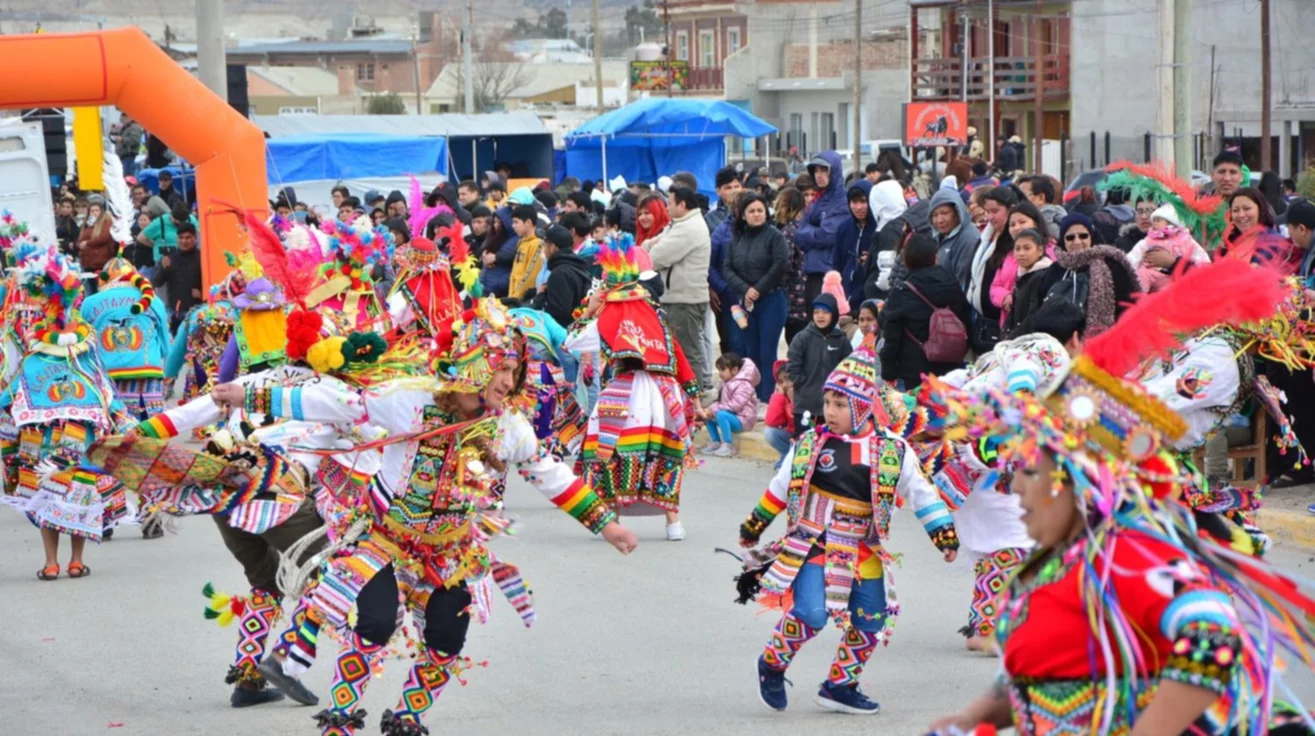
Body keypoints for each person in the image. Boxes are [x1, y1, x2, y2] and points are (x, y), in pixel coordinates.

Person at [924, 265, 1315, 735]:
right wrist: (973, 718)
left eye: (1032, 470)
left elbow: (1215, 639)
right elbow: (1038, 667)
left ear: (1081, 482)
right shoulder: (1055, 563)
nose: (1017, 487)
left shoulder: (1130, 557)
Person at [740, 342, 959, 716]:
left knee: (871, 618)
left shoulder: (893, 450)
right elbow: (780, 486)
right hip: (815, 540)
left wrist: (944, 535)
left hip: (863, 546)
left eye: (841, 405)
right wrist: (754, 525)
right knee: (810, 613)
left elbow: (922, 494)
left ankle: (840, 685)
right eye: (828, 403)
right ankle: (773, 663)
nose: (831, 411)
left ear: (862, 406)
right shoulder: (811, 443)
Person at [565, 244, 701, 541]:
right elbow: (676, 352)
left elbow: (573, 343)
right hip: (664, 391)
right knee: (664, 455)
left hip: (625, 390)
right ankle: (673, 524)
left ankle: (609, 520)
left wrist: (588, 312)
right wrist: (694, 394)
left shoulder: (606, 312)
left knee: (609, 451)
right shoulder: (654, 311)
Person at [645, 186, 714, 395]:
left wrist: (650, 249)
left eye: (670, 203)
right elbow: (649, 245)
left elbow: (655, 257)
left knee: (688, 351)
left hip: (685, 300)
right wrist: (650, 247)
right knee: (682, 349)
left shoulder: (689, 228)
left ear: (682, 205)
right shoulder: (679, 224)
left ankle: (694, 398)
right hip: (676, 298)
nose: (667, 207)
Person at [880, 234, 971, 390]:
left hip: (913, 373)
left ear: (907, 260)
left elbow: (891, 338)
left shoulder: (903, 292)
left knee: (914, 413)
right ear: (935, 258)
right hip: (951, 371)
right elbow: (965, 320)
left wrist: (888, 373)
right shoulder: (952, 284)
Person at [723, 191, 789, 401]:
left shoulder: (774, 236)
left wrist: (757, 289)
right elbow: (727, 268)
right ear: (743, 215)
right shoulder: (737, 239)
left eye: (760, 210)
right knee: (750, 350)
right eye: (751, 211)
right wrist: (744, 289)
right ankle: (754, 394)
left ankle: (769, 397)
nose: (757, 214)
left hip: (771, 299)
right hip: (747, 303)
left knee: (767, 350)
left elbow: (780, 265)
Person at [1042, 213, 1139, 337]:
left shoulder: (1111, 264)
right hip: (1061, 342)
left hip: (1106, 340)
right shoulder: (1055, 270)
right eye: (1070, 237)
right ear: (1063, 241)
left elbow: (1128, 306)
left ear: (1091, 237)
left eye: (1083, 236)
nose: (1077, 242)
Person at [786, 293, 851, 436]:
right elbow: (792, 366)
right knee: (804, 445)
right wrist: (803, 385)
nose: (820, 316)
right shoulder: (802, 337)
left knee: (828, 448)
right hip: (805, 406)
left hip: (832, 409)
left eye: (825, 312)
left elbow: (847, 370)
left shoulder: (841, 341)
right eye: (816, 312)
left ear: (834, 314)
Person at [966, 187, 1018, 352]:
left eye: (995, 211)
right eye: (987, 211)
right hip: (979, 320)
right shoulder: (985, 237)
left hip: (1000, 322)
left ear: (1011, 209)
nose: (989, 217)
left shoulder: (1014, 242)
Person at [795, 151, 848, 308]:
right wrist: (813, 231)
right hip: (812, 273)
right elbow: (798, 235)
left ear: (834, 171)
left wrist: (809, 231)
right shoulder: (817, 200)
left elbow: (826, 235)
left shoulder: (842, 201)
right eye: (816, 170)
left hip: (829, 273)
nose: (819, 175)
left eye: (824, 170)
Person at [988, 201, 1052, 329]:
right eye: (1012, 224)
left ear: (1035, 222)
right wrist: (1004, 297)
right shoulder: (1008, 254)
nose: (1017, 227)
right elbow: (995, 286)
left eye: (1022, 222)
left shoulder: (1050, 250)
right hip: (1009, 322)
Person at [1126, 204, 1210, 292]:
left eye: (1158, 220)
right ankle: (1139, 299)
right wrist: (1128, 265)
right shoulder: (1150, 238)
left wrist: (1203, 263)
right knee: (1141, 276)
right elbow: (1136, 253)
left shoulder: (1184, 238)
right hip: (1150, 272)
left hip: (1171, 277)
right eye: (1154, 220)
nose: (1154, 223)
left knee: (1168, 291)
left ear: (1170, 222)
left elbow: (1198, 253)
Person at [700, 353, 760, 458]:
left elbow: (735, 406)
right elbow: (720, 402)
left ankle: (728, 445)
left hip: (744, 420)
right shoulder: (725, 382)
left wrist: (714, 410)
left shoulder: (744, 385)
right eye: (718, 370)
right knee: (708, 416)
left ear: (735, 370)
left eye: (722, 370)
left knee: (720, 415)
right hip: (732, 416)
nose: (719, 373)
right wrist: (708, 410)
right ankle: (716, 442)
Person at [1219, 187, 1293, 272]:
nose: (1241, 215)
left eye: (1247, 209)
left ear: (1260, 209)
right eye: (1235, 210)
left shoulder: (1274, 241)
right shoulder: (1230, 240)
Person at [534, 223, 592, 331]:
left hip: (563, 334)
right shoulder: (576, 264)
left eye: (544, 244)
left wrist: (540, 296)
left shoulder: (560, 273)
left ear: (553, 247)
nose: (543, 248)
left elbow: (558, 314)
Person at [832, 180, 876, 314]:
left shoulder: (879, 229)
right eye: (854, 202)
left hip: (870, 300)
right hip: (845, 299)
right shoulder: (843, 228)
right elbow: (837, 265)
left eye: (863, 201)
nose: (858, 207)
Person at [928, 177, 980, 290]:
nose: (939, 220)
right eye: (934, 215)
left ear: (958, 212)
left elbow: (962, 282)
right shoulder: (941, 237)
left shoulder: (968, 238)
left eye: (944, 213)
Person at [775, 187, 811, 346]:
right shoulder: (808, 227)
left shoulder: (788, 231)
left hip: (794, 299)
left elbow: (785, 264)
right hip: (809, 294)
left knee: (796, 344)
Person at [1001, 229, 1053, 335]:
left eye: (1027, 248)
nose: (1021, 253)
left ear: (1040, 251)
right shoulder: (1023, 275)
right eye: (1017, 249)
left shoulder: (1041, 276)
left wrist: (1012, 339)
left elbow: (1033, 316)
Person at [862, 180, 907, 301]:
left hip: (881, 297)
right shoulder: (902, 223)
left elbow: (887, 272)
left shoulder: (890, 230)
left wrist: (875, 286)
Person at [156, 223, 204, 331]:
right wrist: (164, 268)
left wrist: (202, 292)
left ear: (195, 238)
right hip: (175, 311)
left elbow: (212, 282)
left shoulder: (202, 257)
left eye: (188, 237)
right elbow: (157, 282)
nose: (184, 241)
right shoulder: (170, 258)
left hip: (197, 310)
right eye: (181, 238)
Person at [77, 196, 117, 292]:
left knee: (102, 287)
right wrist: (79, 245)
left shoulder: (106, 222)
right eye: (92, 211)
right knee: (90, 288)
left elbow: (104, 237)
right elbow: (80, 240)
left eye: (97, 210)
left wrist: (87, 243)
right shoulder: (86, 224)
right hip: (87, 262)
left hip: (101, 262)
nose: (95, 213)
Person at [506, 204, 544, 302]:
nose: (513, 226)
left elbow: (530, 275)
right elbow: (515, 271)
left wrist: (516, 298)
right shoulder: (521, 241)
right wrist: (511, 295)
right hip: (513, 295)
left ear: (528, 222)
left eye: (516, 222)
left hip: (523, 298)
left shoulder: (537, 243)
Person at [763, 360, 794, 469]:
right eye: (781, 381)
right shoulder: (783, 395)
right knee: (770, 432)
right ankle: (787, 455)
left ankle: (792, 459)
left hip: (804, 437)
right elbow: (772, 421)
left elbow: (800, 421)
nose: (785, 384)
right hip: (791, 436)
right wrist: (778, 395)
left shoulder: (806, 393)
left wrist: (793, 400)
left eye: (787, 379)